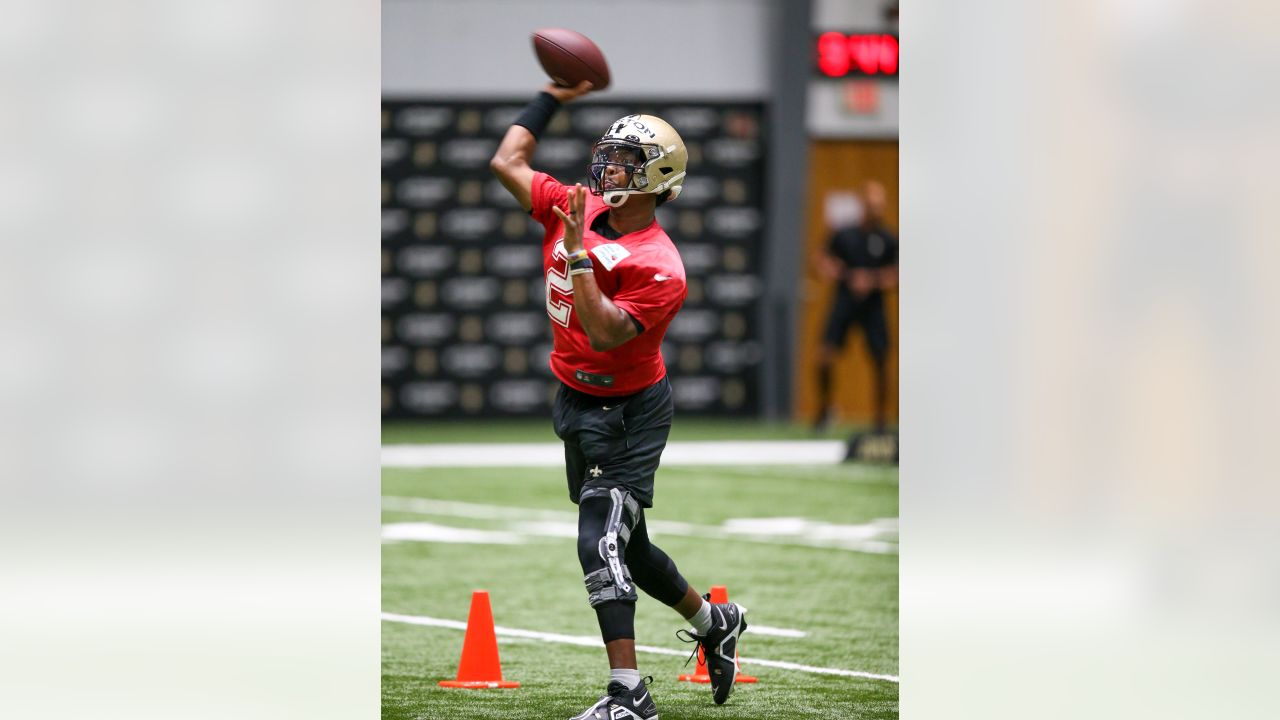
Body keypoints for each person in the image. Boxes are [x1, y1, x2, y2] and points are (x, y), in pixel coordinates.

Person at [489, 82, 749, 720]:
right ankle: (717, 620)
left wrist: (577, 252)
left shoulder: (661, 264)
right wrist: (551, 95)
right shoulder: (579, 204)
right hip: (576, 401)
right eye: (608, 155)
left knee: (597, 537)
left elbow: (605, 334)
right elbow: (507, 162)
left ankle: (629, 694)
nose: (608, 169)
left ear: (658, 177)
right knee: (627, 545)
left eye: (626, 162)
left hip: (629, 411)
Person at [813, 180, 899, 434]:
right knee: (824, 356)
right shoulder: (845, 234)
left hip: (873, 305)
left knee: (881, 360)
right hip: (844, 301)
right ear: (863, 205)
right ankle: (825, 410)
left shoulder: (888, 239)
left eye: (880, 205)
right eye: (872, 205)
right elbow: (821, 258)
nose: (876, 210)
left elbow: (898, 274)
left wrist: (871, 280)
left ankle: (881, 422)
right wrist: (837, 273)